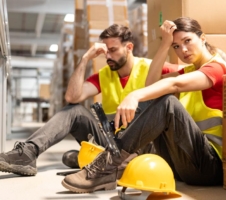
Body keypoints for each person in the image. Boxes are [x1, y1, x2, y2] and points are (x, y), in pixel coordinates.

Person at [61, 17, 226, 193]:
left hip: (210, 165)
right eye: (176, 46)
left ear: (202, 38)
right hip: (186, 164)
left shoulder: (217, 67)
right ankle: (113, 163)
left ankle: (107, 165)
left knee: (168, 103)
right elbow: (151, 83)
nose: (183, 50)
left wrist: (134, 95)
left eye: (187, 41)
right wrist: (165, 44)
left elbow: (175, 85)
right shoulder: (190, 70)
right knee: (158, 97)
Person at [0, 24, 179, 176]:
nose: (108, 56)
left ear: (129, 47)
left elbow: (188, 74)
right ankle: (27, 154)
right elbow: (72, 96)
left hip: (139, 146)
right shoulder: (104, 76)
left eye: (113, 50)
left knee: (72, 157)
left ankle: (104, 162)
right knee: (73, 111)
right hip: (111, 143)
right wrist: (85, 58)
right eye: (106, 52)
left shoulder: (152, 67)